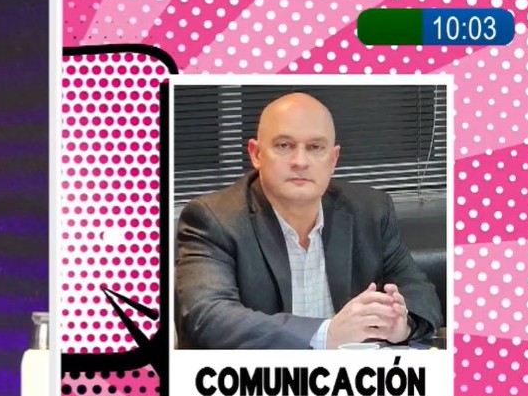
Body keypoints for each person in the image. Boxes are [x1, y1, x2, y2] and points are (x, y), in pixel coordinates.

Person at [175, 92, 443, 350]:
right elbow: (207, 317)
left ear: (333, 159)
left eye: (315, 147)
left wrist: (402, 325)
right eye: (284, 145)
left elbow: (419, 292)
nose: (300, 161)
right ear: (256, 154)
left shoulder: (370, 211)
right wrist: (326, 335)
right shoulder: (214, 219)